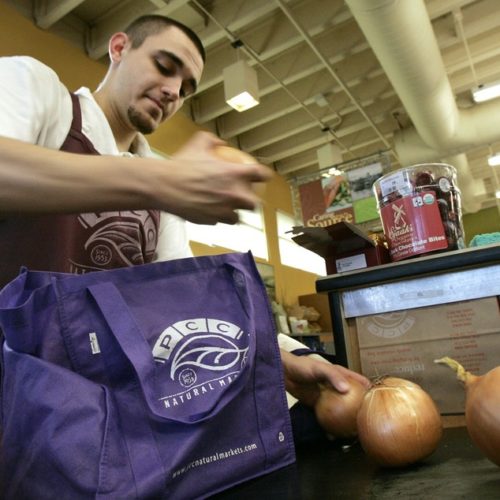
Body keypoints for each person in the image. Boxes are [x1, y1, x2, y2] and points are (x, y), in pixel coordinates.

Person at [0, 14, 369, 434]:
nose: (174, 91)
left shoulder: (161, 196)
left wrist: (278, 362)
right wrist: (162, 180)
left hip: (98, 417)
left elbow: (179, 307)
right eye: (164, 65)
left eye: (187, 87)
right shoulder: (38, 90)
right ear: (118, 48)